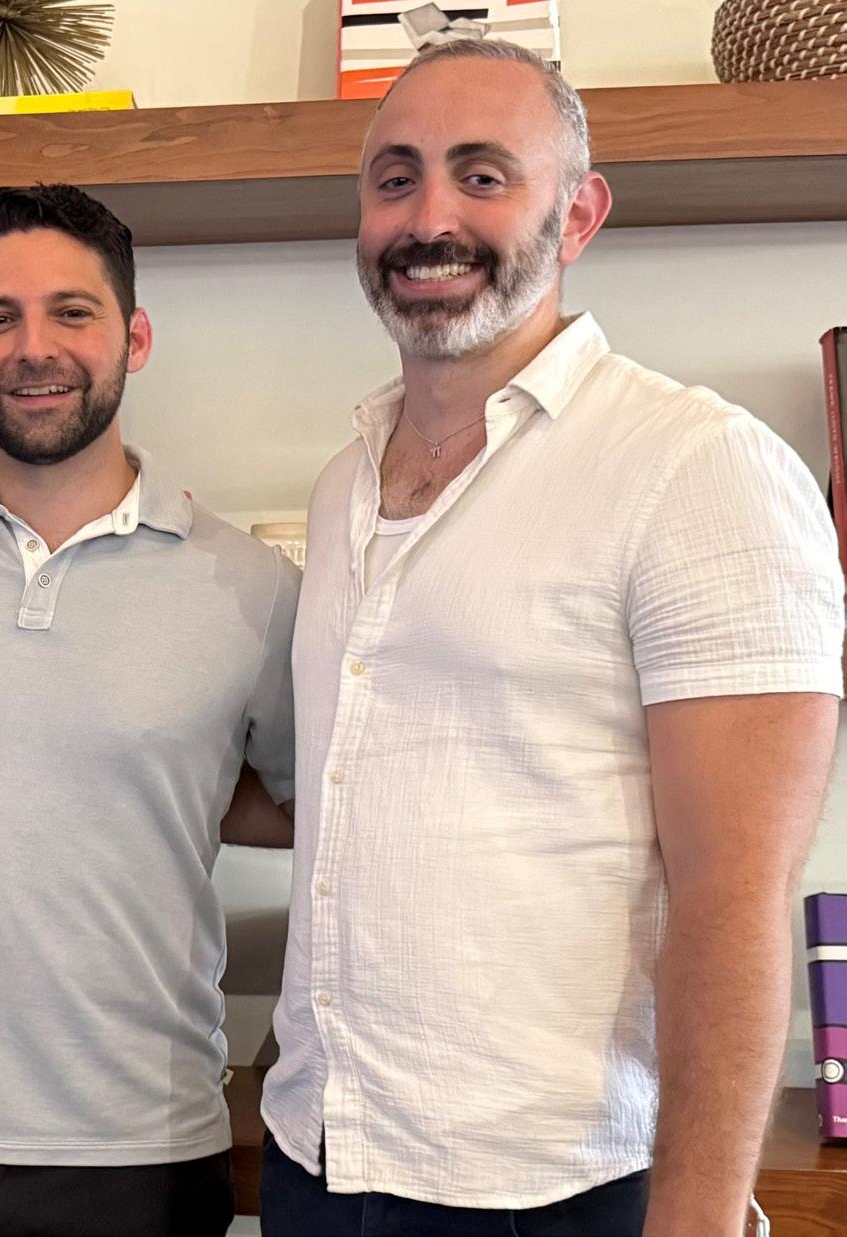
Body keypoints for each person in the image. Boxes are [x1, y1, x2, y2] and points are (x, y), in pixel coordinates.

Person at [253, 38, 844, 1237]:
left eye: (482, 176)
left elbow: (733, 900)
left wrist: (696, 1218)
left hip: (550, 1190)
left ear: (576, 216)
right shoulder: (340, 484)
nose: (429, 218)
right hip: (318, 1153)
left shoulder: (697, 467)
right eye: (395, 179)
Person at [0, 184, 298, 1236]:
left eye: (72, 312)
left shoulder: (253, 587)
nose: (35, 348)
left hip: (139, 1151)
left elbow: (323, 798)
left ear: (136, 336)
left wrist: (161, 778)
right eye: (0, 317)